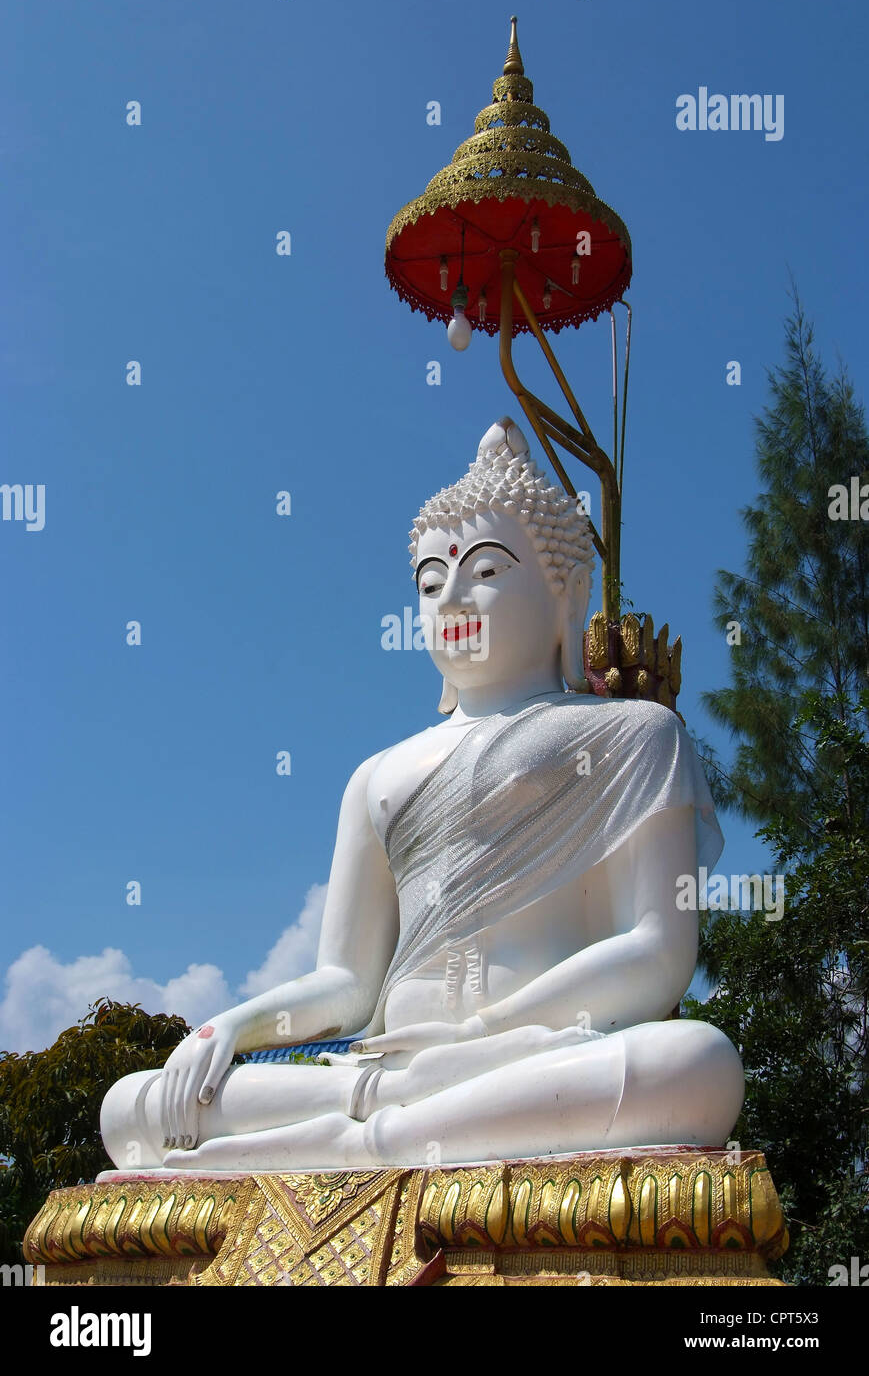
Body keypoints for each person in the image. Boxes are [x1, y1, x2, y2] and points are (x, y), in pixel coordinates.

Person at [101, 418, 743, 1173]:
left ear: (565, 593)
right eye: (431, 582)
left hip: (529, 1054)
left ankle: (356, 1145)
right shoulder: (378, 775)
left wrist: (484, 1031)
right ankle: (379, 1129)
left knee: (695, 1063)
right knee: (132, 1109)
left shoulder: (634, 734)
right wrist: (233, 1027)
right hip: (387, 1069)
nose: (452, 599)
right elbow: (348, 985)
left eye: (486, 572)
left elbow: (657, 954)